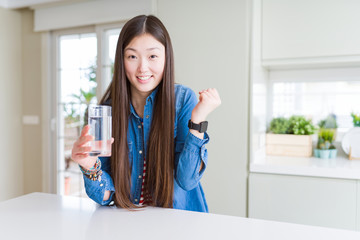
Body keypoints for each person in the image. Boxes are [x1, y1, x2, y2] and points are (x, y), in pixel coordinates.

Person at [71, 15, 221, 212]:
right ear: (121, 60)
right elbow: (106, 196)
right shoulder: (107, 112)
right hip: (131, 224)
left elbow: (187, 181)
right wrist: (90, 166)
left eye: (152, 56)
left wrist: (198, 121)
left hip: (181, 223)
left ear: (166, 57)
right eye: (132, 56)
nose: (143, 68)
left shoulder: (183, 100)